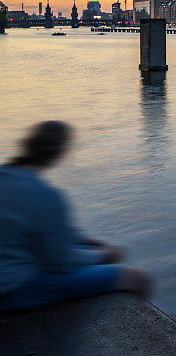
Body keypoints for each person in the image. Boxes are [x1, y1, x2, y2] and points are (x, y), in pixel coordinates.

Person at [0, 121, 152, 312]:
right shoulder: (43, 194)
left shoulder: (6, 176)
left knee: (83, 249)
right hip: (13, 290)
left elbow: (55, 232)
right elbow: (61, 262)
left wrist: (88, 241)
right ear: (61, 152)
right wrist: (105, 254)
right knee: (136, 278)